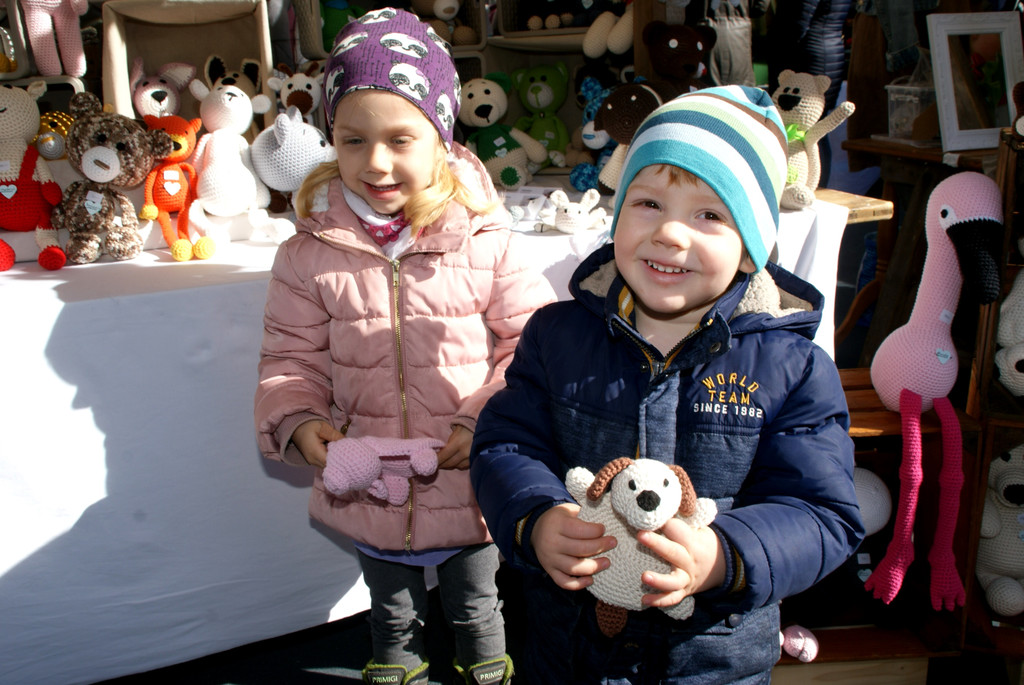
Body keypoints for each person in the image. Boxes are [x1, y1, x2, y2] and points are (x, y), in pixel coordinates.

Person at [470, 85, 865, 684]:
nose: (670, 234)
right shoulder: (555, 336)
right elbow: (507, 445)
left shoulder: (793, 368)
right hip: (568, 651)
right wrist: (535, 519)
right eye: (649, 203)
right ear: (617, 213)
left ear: (751, 249)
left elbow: (820, 511)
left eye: (710, 215)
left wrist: (725, 556)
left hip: (710, 661)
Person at [253, 9, 555, 685]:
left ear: (441, 138)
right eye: (352, 140)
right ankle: (398, 659)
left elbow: (533, 349)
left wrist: (485, 420)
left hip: (467, 475)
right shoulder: (307, 255)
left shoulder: (485, 239)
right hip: (369, 478)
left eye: (400, 139)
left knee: (476, 599)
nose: (376, 162)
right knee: (390, 603)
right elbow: (290, 359)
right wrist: (298, 420)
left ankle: (486, 661)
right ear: (330, 139)